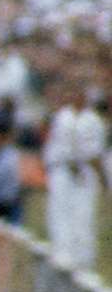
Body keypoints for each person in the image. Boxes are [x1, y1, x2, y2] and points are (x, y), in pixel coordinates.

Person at [43, 87, 106, 272]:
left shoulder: (94, 121)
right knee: (60, 211)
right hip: (62, 168)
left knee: (83, 214)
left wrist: (102, 178)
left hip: (84, 171)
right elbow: (54, 145)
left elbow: (96, 153)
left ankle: (83, 261)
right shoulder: (62, 117)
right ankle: (61, 253)